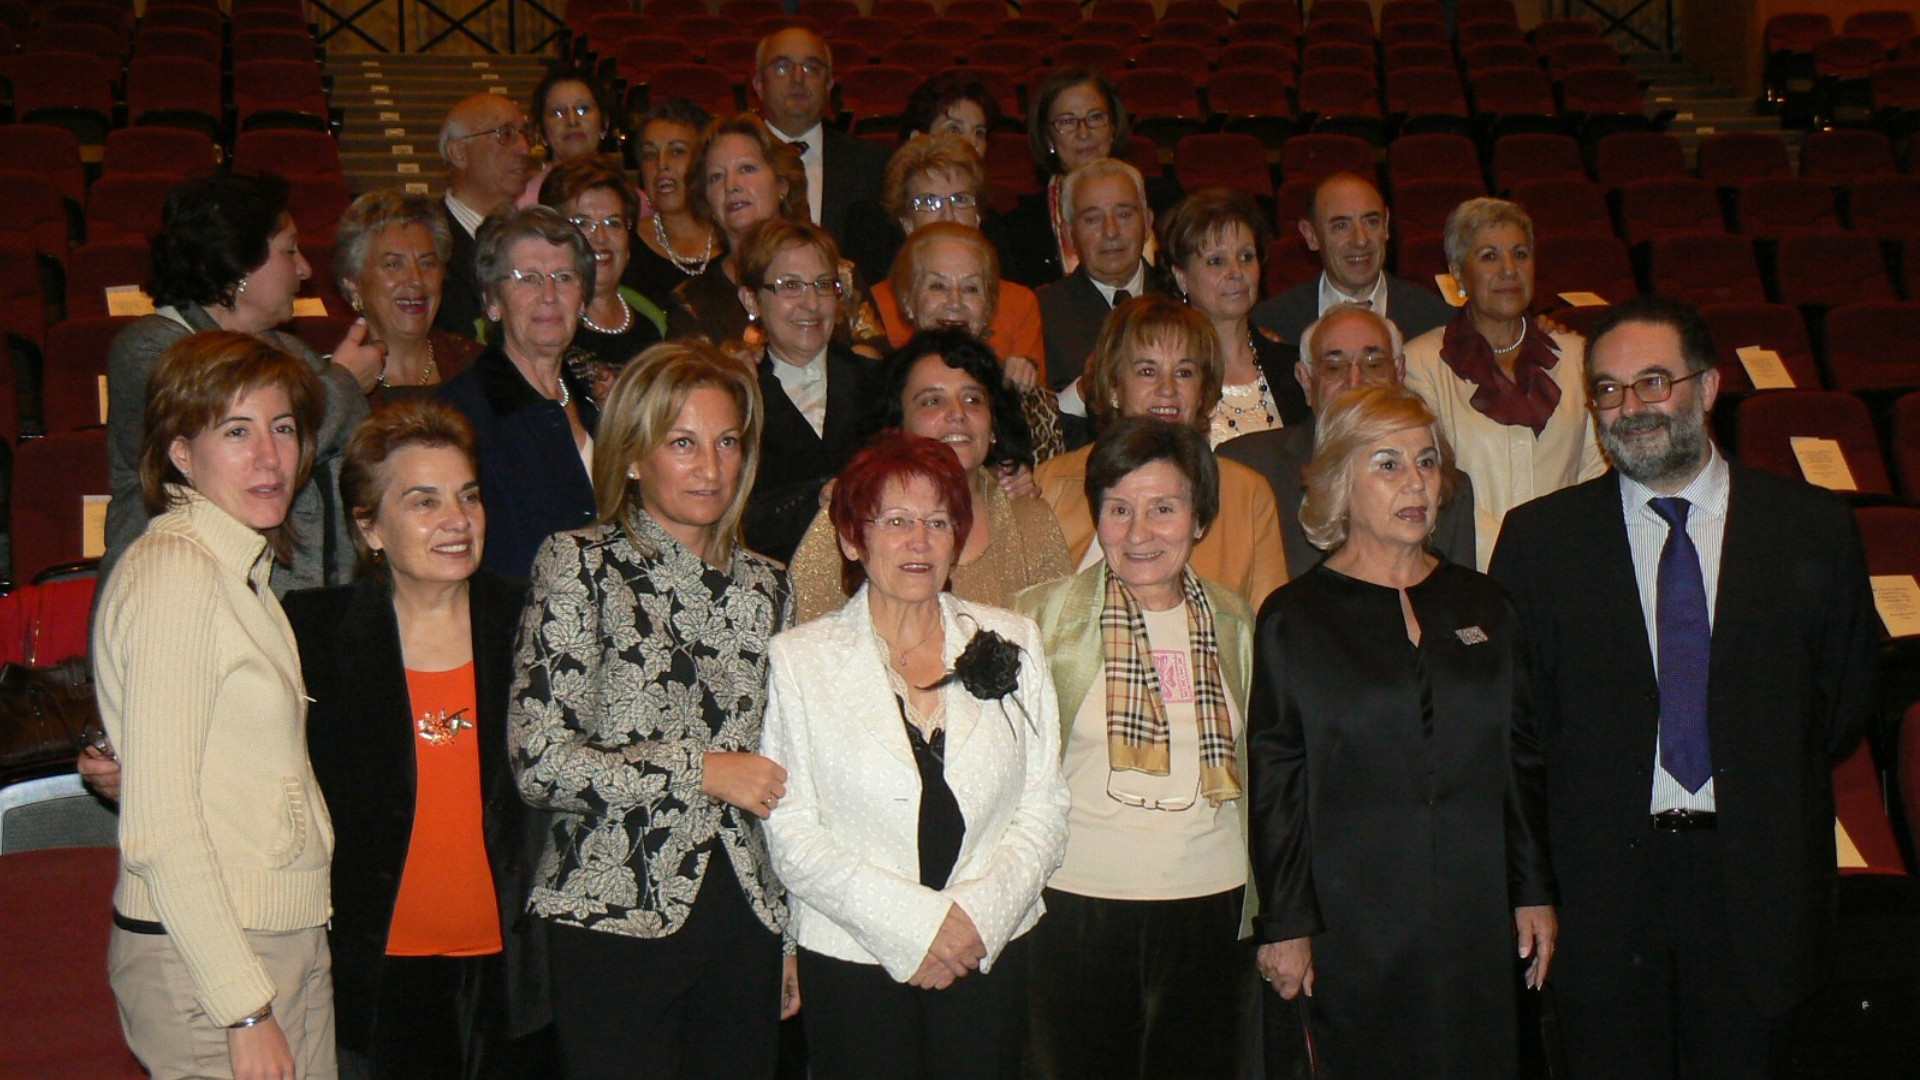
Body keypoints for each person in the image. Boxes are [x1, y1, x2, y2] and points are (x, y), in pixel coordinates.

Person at [1489, 297, 1878, 1080]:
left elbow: (1843, 704)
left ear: (1707, 388)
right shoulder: (1540, 542)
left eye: (1653, 382)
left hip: (1757, 886)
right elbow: (1514, 732)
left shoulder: (1811, 530)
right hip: (1601, 895)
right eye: (1608, 389)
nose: (1629, 408)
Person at [1246, 385, 1556, 1079]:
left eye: (1425, 462)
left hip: (1479, 908)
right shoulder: (1295, 618)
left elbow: (1520, 757)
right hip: (1354, 920)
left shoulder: (1484, 603)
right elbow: (1277, 783)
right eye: (1386, 464)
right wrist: (1288, 923)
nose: (1415, 483)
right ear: (1338, 484)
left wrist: (1533, 887)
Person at [511, 342, 798, 1078]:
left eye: (726, 441)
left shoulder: (771, 585)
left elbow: (788, 776)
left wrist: (791, 934)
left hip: (747, 917)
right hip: (614, 909)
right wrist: (699, 769)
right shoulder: (578, 563)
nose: (711, 466)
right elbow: (541, 763)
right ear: (634, 457)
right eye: (682, 443)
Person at [760, 431, 1070, 1078]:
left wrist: (974, 920)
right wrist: (921, 927)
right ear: (852, 539)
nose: (919, 541)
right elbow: (792, 834)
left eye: (937, 521)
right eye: (895, 522)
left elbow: (1045, 807)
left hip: (988, 946)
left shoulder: (1012, 640)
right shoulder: (801, 660)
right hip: (854, 955)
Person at [94, 331, 335, 1080]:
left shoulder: (237, 571)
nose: (269, 457)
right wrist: (245, 1008)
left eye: (283, 428)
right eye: (237, 431)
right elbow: (160, 829)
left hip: (275, 937)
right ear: (180, 453)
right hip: (215, 958)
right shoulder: (178, 576)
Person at [289, 399, 553, 1079]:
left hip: (517, 976)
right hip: (374, 975)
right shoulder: (310, 636)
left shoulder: (534, 624)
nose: (457, 521)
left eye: (467, 496)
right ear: (369, 528)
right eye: (424, 502)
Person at [1012, 417, 1258, 1080]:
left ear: (1200, 518)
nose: (1139, 533)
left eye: (1163, 508)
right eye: (1118, 509)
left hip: (1213, 904)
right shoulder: (1040, 618)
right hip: (1078, 907)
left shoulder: (1238, 622)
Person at [102, 172, 381, 592]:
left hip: (305, 603)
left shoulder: (290, 352)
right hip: (177, 596)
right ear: (238, 263)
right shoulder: (147, 351)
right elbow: (232, 454)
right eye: (289, 250)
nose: (305, 269)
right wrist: (343, 381)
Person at [787, 329, 1070, 622]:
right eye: (933, 401)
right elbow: (804, 639)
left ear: (993, 425)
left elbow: (1062, 642)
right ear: (897, 423)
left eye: (973, 399)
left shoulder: (1030, 520)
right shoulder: (852, 515)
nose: (957, 413)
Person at [1033, 295, 1289, 610]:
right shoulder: (1053, 483)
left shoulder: (1248, 494)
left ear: (1202, 391)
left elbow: (1264, 627)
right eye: (1147, 371)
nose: (1167, 389)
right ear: (1114, 386)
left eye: (1184, 373)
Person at [1402, 197, 1607, 570]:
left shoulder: (1578, 357)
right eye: (1489, 257)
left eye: (1520, 254)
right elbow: (1434, 481)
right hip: (1467, 570)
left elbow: (1596, 470)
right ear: (1457, 274)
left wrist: (1561, 555)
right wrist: (1515, 555)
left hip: (1569, 565)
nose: (1509, 269)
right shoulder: (1421, 363)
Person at [1220, 303, 1478, 579]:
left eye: (1374, 364)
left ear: (1400, 373)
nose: (1355, 381)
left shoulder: (1444, 485)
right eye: (1334, 367)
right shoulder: (1247, 466)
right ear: (1306, 381)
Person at [438, 206, 599, 580]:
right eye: (527, 279)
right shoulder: (459, 416)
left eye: (564, 277)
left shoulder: (600, 404)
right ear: (493, 302)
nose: (549, 294)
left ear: (584, 301)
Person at [665, 112, 886, 354]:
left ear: (782, 184)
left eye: (747, 169)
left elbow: (880, 368)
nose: (732, 185)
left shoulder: (841, 277)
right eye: (717, 177)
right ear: (707, 201)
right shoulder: (692, 301)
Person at [737, 218, 885, 563]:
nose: (811, 302)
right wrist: (815, 499)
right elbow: (734, 516)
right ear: (751, 300)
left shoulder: (878, 381)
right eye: (790, 286)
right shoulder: (736, 396)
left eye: (822, 285)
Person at [881, 221, 1065, 461]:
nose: (955, 302)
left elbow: (1048, 487)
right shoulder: (877, 390)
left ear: (989, 306)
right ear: (907, 300)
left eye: (970, 288)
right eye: (938, 286)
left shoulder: (1030, 404)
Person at [1003, 68, 1180, 289]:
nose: (1084, 133)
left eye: (1095, 117)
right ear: (1048, 138)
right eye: (1067, 121)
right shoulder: (1019, 226)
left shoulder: (1169, 202)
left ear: (1113, 127)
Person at [1159, 188, 1310, 446]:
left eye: (1246, 257)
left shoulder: (1293, 366)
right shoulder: (1165, 375)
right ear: (1181, 276)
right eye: (1216, 261)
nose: (1236, 272)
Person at [839, 76, 1015, 284]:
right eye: (954, 129)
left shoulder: (991, 221)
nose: (971, 142)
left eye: (979, 132)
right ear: (916, 138)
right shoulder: (870, 221)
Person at [1247, 172, 1456, 346]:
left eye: (1371, 221)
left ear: (1386, 225)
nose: (1360, 240)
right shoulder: (1271, 324)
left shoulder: (1437, 322)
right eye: (1341, 226)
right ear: (1311, 235)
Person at [333, 190, 484, 409]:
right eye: (393, 264)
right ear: (353, 282)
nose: (416, 279)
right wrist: (345, 387)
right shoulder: (333, 380)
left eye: (427, 263)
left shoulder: (477, 366)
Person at [1036, 158, 1160, 417]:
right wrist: (1083, 389)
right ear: (1069, 235)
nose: (1111, 231)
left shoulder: (1182, 295)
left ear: (1147, 224)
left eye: (1124, 214)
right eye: (1093, 219)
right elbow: (1036, 426)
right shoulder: (1042, 311)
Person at [749, 26, 890, 240]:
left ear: (829, 85)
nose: (797, 78)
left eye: (812, 68)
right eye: (781, 67)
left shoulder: (873, 165)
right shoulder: (733, 163)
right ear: (759, 84)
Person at [540, 156, 668, 389]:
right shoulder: (541, 323)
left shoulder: (654, 324)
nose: (600, 237)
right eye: (583, 223)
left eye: (613, 223)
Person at [435, 93, 536, 339]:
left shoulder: (536, 238)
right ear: (459, 153)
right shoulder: (428, 244)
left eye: (525, 134)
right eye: (506, 134)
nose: (524, 148)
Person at [629, 98, 721, 303]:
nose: (662, 164)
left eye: (677, 151)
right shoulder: (625, 248)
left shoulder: (735, 240)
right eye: (649, 154)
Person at [520, 68, 622, 207]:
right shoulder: (526, 206)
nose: (572, 121)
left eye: (583, 109)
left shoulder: (635, 202)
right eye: (558, 112)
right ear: (541, 131)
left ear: (604, 123)